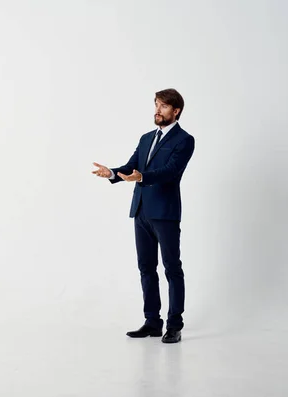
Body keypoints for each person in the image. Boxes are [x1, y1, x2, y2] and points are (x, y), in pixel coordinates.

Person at [92, 88, 195, 344]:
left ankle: (175, 324)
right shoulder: (146, 137)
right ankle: (152, 322)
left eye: (163, 106)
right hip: (141, 211)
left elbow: (171, 171)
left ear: (176, 111)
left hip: (165, 212)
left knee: (172, 268)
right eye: (156, 105)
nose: (157, 110)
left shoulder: (184, 140)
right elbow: (131, 167)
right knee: (146, 268)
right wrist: (113, 173)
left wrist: (143, 177)